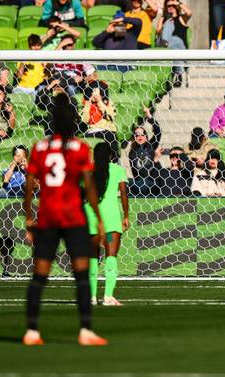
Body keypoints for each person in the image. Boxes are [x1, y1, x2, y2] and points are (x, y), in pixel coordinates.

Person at [23, 92, 107, 346]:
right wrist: (98, 218)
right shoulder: (81, 147)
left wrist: (29, 216)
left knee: (39, 276)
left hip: (47, 217)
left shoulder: (39, 147)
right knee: (81, 275)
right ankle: (85, 331)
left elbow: (29, 185)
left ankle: (32, 332)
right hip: (73, 217)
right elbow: (90, 186)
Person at [85, 142, 129, 306]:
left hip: (92, 217)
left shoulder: (88, 171)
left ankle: (91, 297)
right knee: (111, 255)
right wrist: (126, 215)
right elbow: (124, 193)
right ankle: (108, 297)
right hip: (111, 218)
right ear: (111, 155)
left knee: (92, 257)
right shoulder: (118, 170)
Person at [156, 1, 191, 87]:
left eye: (173, 6)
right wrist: (165, 20)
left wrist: (178, 3)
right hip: (164, 44)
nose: (171, 7)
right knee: (168, 24)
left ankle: (177, 73)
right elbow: (158, 32)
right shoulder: (164, 19)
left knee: (175, 44)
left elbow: (189, 13)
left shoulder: (181, 18)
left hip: (177, 47)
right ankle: (178, 74)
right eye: (168, 6)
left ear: (177, 7)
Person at [128, 106, 161, 196]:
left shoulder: (151, 146)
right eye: (137, 135)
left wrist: (148, 115)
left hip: (152, 181)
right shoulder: (132, 152)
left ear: (146, 137)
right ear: (133, 138)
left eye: (142, 134)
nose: (140, 137)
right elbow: (138, 170)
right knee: (127, 182)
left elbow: (158, 132)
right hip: (139, 182)